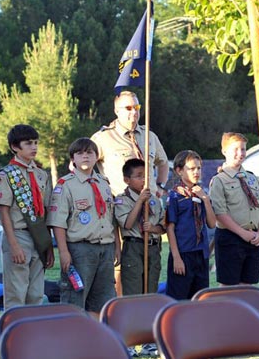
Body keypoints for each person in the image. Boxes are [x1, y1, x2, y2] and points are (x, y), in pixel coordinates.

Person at [90, 90, 169, 297]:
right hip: (121, 211)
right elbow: (81, 164)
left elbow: (162, 162)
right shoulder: (104, 138)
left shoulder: (149, 136)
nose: (133, 112)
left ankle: (146, 321)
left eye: (136, 107)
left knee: (150, 271)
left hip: (149, 211)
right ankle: (121, 314)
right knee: (121, 268)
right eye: (128, 108)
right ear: (116, 111)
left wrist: (159, 186)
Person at [47, 138, 118, 314]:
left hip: (105, 248)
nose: (85, 156)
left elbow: (111, 217)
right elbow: (58, 222)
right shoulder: (66, 185)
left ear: (96, 157)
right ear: (73, 159)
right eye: (80, 153)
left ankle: (95, 339)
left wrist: (116, 246)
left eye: (89, 153)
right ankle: (73, 340)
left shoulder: (104, 183)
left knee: (102, 301)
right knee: (75, 299)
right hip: (80, 250)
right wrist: (63, 252)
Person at [0, 125, 54, 309]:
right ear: (15, 147)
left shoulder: (41, 174)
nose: (34, 147)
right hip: (18, 235)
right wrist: (13, 245)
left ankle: (33, 335)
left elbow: (46, 211)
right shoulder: (7, 174)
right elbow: (4, 211)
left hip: (39, 236)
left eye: (36, 143)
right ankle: (13, 336)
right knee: (16, 294)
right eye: (28, 144)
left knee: (36, 294)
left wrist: (48, 245)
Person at [114, 158, 166, 357]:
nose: (144, 180)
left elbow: (162, 225)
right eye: (138, 176)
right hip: (134, 248)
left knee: (149, 294)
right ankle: (128, 341)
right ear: (127, 180)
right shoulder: (121, 199)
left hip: (152, 248)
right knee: (132, 295)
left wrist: (153, 228)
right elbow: (127, 224)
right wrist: (139, 202)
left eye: (146, 175)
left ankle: (147, 341)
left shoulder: (154, 198)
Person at [209, 133, 259, 286]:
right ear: (224, 151)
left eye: (243, 149)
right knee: (229, 287)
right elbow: (220, 214)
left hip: (253, 238)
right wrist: (243, 233)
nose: (240, 153)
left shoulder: (252, 178)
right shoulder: (219, 180)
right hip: (231, 238)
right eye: (235, 149)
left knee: (248, 286)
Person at [166, 150, 216, 299]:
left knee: (200, 298)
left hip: (201, 254)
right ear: (179, 171)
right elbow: (170, 228)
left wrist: (206, 200)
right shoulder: (175, 196)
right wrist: (176, 258)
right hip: (183, 254)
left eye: (199, 168)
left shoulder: (201, 194)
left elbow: (212, 224)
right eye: (191, 168)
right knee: (179, 300)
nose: (196, 172)